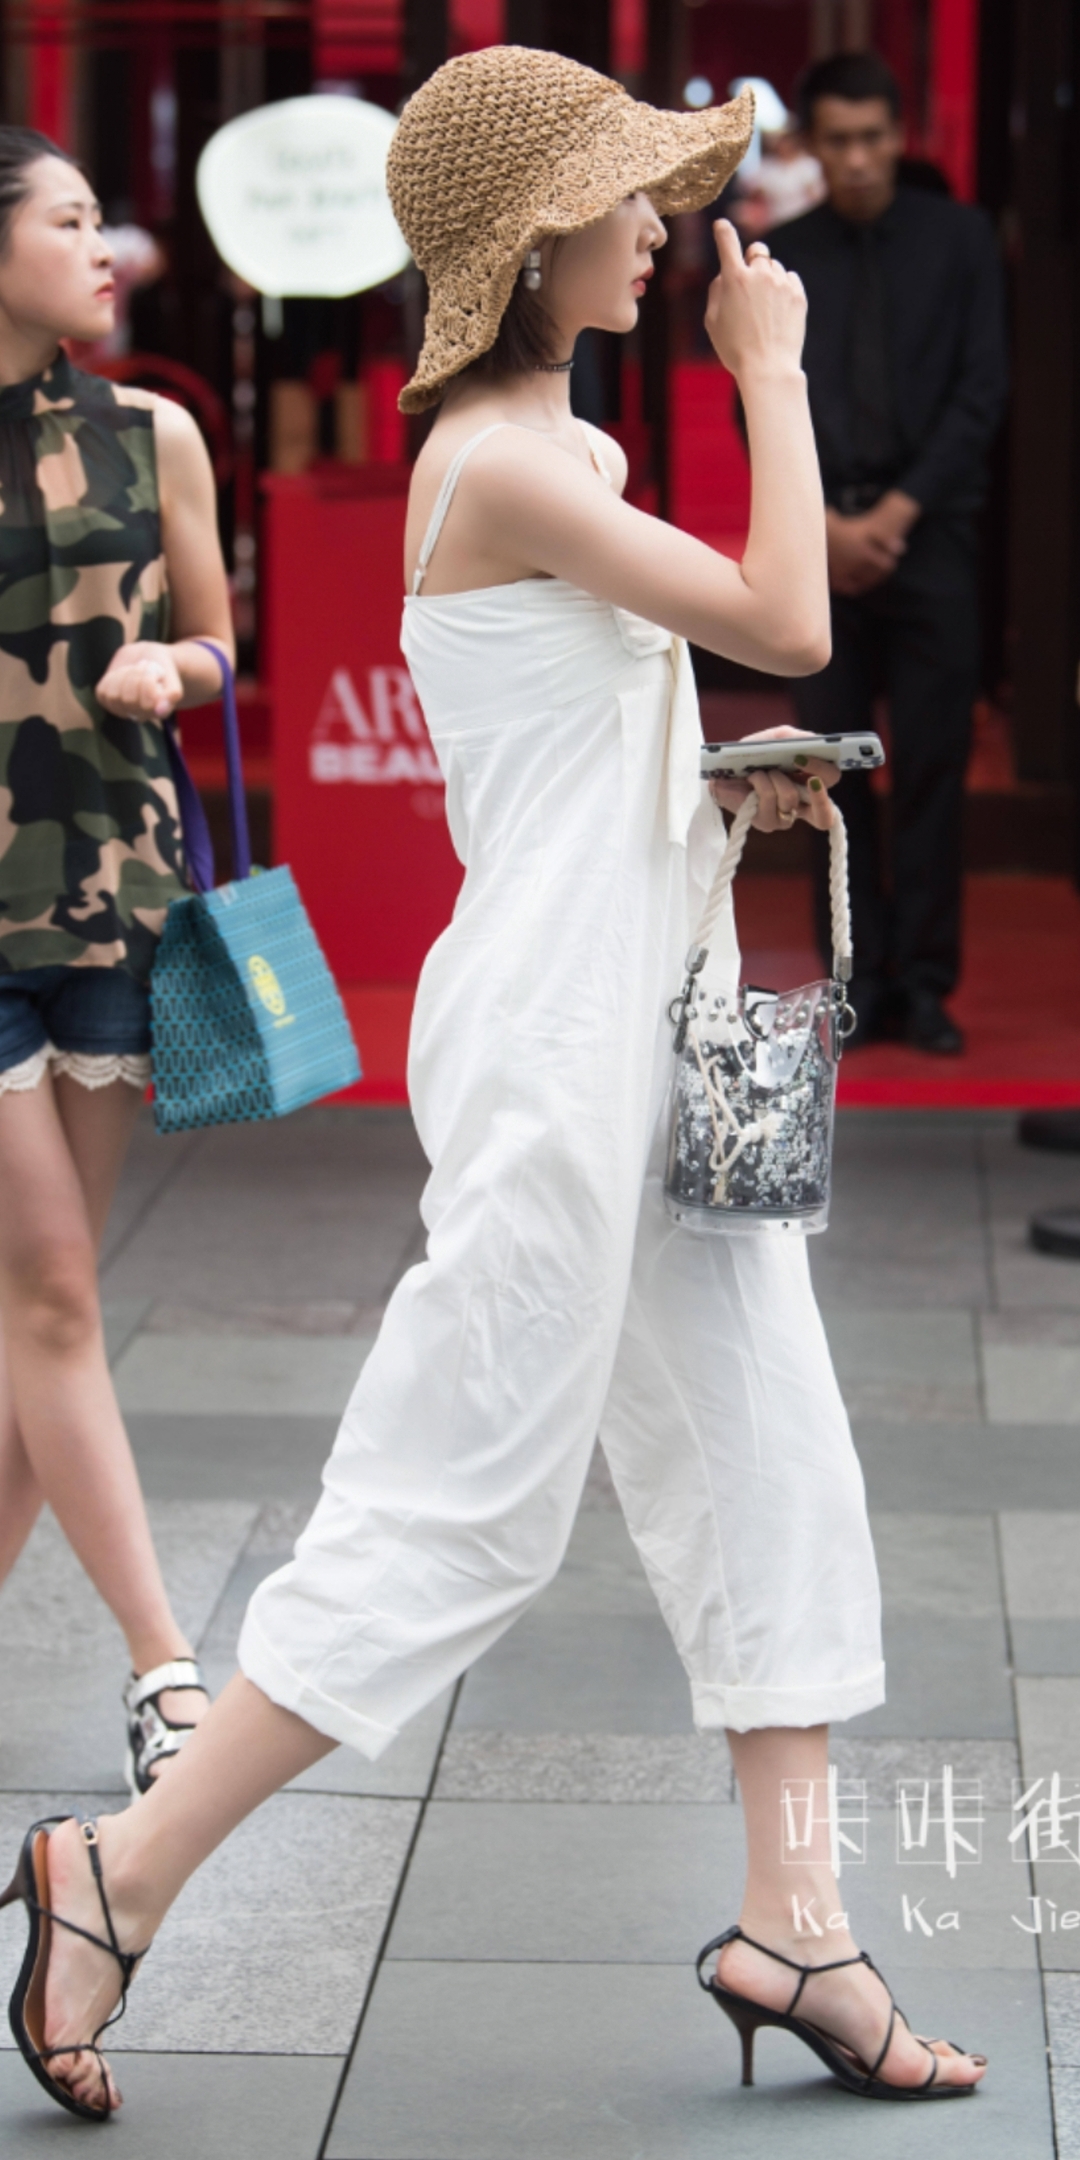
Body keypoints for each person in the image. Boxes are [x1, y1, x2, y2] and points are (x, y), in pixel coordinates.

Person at [1, 51, 986, 2122]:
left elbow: (611, 726)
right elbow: (792, 609)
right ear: (534, 243)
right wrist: (774, 373)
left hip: (643, 1013)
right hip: (556, 1045)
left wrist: (720, 785)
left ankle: (798, 1925)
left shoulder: (562, 453)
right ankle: (122, 1872)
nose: (660, 228)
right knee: (462, 1501)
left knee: (778, 1457)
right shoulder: (502, 466)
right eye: (626, 198)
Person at [0, 130, 235, 1791]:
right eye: (71, 220)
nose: (107, 247)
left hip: (108, 897)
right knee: (54, 1293)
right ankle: (169, 1670)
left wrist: (176, 668)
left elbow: (218, 637)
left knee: (39, 1309)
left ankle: (159, 1673)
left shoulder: (154, 432)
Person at [769, 51, 1008, 1054]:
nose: (859, 159)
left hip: (932, 536)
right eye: (840, 141)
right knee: (829, 777)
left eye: (873, 138)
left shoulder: (960, 240)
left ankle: (927, 982)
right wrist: (824, 525)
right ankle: (854, 982)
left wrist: (896, 516)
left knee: (933, 769)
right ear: (812, 146)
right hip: (817, 542)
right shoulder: (783, 255)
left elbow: (982, 391)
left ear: (899, 136)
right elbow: (759, 400)